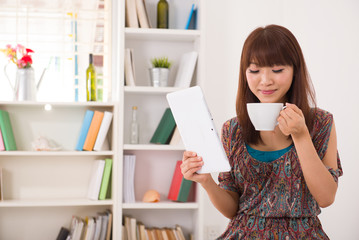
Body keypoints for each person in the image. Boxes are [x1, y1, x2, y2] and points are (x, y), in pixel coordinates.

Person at [180, 24, 343, 239]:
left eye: (277, 70)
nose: (265, 80)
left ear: (295, 70)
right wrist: (206, 181)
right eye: (254, 71)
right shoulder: (232, 130)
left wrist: (301, 135)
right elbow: (233, 209)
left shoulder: (320, 123)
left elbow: (326, 197)